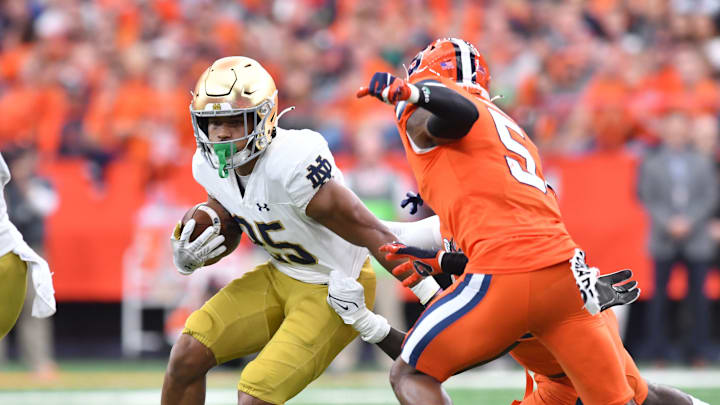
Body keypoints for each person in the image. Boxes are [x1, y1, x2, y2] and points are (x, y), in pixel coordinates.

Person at [356, 37, 638, 405]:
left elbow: (461, 116)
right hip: (566, 275)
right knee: (626, 399)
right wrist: (444, 261)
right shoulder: (510, 132)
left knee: (410, 373)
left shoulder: (436, 110)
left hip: (508, 275)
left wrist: (416, 94)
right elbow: (504, 215)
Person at [160, 56, 441, 405]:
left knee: (254, 395)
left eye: (233, 120)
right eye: (212, 122)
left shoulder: (293, 162)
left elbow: (370, 232)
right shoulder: (206, 164)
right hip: (280, 275)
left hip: (334, 286)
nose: (220, 133)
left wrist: (433, 298)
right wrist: (198, 248)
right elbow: (234, 220)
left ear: (263, 117)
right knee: (186, 354)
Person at [638, 110, 717, 365]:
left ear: (687, 131)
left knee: (699, 297)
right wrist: (668, 222)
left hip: (695, 237)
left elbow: (710, 196)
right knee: (660, 297)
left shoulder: (702, 161)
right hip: (663, 236)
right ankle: (658, 349)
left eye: (680, 128)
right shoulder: (652, 162)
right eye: (671, 128)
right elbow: (647, 196)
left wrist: (689, 221)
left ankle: (699, 349)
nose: (676, 133)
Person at [0, 145, 58, 378]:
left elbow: (46, 205)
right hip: (4, 249)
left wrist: (25, 186)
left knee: (35, 305)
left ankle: (39, 361)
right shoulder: (5, 184)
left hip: (32, 249)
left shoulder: (39, 184)